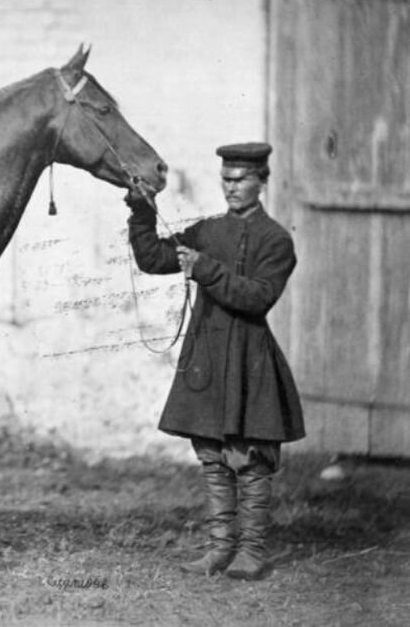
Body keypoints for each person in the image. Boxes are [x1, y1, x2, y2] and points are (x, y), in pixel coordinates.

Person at [125, 142, 305, 581]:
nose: (231, 188)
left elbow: (258, 297)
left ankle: (253, 552)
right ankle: (220, 549)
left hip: (249, 359)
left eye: (241, 179)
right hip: (207, 356)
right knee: (212, 456)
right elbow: (152, 259)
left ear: (262, 180)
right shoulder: (207, 231)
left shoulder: (277, 240)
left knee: (249, 459)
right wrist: (142, 211)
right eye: (226, 179)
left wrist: (205, 269)